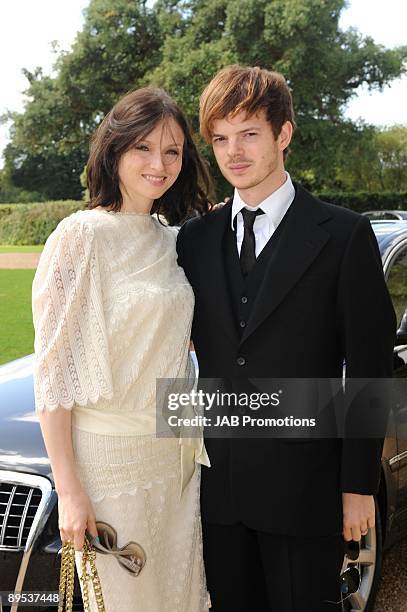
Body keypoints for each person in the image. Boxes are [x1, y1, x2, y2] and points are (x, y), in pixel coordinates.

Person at [176, 65, 396, 611]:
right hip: (218, 494)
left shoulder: (343, 235)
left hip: (307, 492)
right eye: (221, 139)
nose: (234, 152)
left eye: (249, 133)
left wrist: (357, 486)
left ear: (284, 134)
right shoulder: (194, 241)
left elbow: (369, 368)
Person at [32, 87, 213, 612]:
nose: (160, 164)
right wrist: (69, 491)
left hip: (175, 461)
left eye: (174, 150)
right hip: (110, 469)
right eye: (144, 148)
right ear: (114, 151)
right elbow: (55, 375)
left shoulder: (169, 238)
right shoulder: (79, 235)